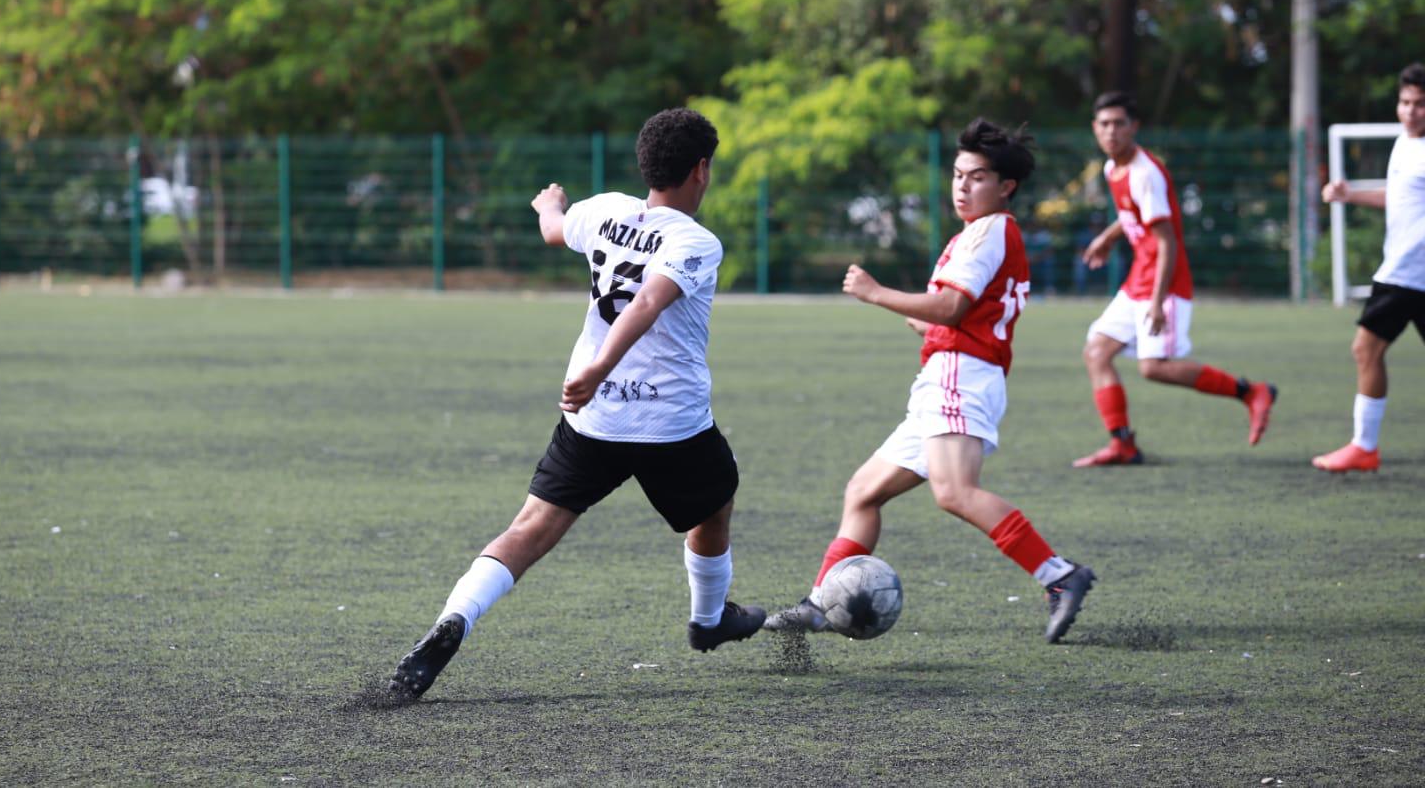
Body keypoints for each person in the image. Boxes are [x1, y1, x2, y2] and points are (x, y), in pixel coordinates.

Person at [388, 108, 764, 700]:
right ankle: (709, 619)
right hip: (669, 422)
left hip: (593, 419)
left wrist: (547, 206)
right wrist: (598, 368)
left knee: (531, 527)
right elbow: (645, 305)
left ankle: (453, 618)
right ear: (701, 170)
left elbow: (553, 229)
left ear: (646, 165)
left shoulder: (605, 211)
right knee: (714, 508)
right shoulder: (697, 241)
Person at [765, 119, 1096, 644]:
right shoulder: (979, 233)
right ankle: (819, 603)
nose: (963, 186)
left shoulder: (991, 230)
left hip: (961, 378)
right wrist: (923, 318)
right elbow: (953, 314)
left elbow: (952, 306)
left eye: (978, 177)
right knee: (863, 492)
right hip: (945, 377)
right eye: (959, 175)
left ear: (1006, 187)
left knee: (955, 491)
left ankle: (1060, 574)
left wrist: (877, 292)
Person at [1074, 91, 1277, 466]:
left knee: (1154, 367)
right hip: (1138, 279)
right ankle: (1122, 443)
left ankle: (1251, 392)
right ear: (1094, 129)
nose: (1111, 131)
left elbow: (1167, 242)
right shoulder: (1111, 168)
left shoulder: (1145, 173)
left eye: (1120, 123)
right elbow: (1133, 215)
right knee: (1097, 351)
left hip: (1163, 284)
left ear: (1134, 127)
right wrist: (1107, 237)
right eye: (1104, 124)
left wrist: (1156, 301)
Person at [1313, 63, 1425, 472]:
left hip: (1407, 275)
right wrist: (1350, 195)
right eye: (1405, 102)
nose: (1411, 111)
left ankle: (1364, 446)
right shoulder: (1405, 144)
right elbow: (1400, 198)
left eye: (1420, 104)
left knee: (1365, 348)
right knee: (1367, 349)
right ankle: (1364, 448)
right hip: (1404, 274)